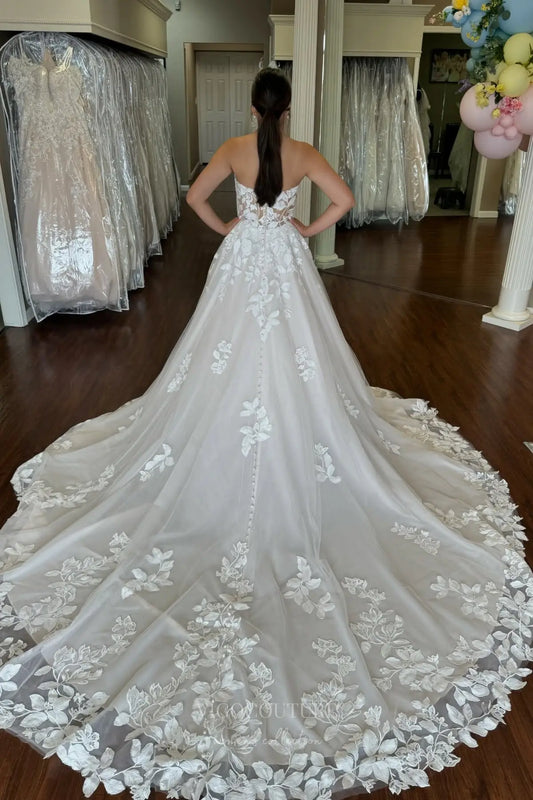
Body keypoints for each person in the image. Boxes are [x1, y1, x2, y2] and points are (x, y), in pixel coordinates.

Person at [0, 68, 532, 800]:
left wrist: (231, 226)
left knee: (220, 356)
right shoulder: (305, 153)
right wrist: (302, 227)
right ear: (288, 108)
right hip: (283, 256)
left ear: (255, 108)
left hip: (242, 258)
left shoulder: (230, 148)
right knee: (296, 355)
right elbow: (343, 201)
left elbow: (193, 198)